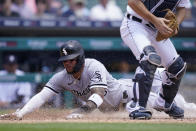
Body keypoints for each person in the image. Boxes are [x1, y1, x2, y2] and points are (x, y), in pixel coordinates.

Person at [0, 40, 194, 120]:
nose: (67, 64)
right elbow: (42, 96)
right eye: (64, 61)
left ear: (80, 59)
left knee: (176, 104)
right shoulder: (61, 77)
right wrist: (20, 113)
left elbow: (99, 96)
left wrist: (79, 112)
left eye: (71, 60)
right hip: (119, 106)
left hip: (130, 94)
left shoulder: (93, 66)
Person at [120, 0, 190, 119]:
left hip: (157, 29)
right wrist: (155, 20)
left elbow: (183, 8)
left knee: (177, 67)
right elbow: (132, 2)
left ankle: (164, 103)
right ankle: (136, 106)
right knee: (149, 58)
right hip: (135, 24)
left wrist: (176, 24)